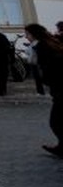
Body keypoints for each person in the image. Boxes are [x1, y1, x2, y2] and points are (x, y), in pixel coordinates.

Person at [25, 23, 63, 158]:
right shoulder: (52, 42)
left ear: (33, 34)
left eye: (27, 34)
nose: (26, 37)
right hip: (58, 86)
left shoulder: (42, 46)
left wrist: (45, 79)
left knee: (56, 121)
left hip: (59, 86)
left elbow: (48, 67)